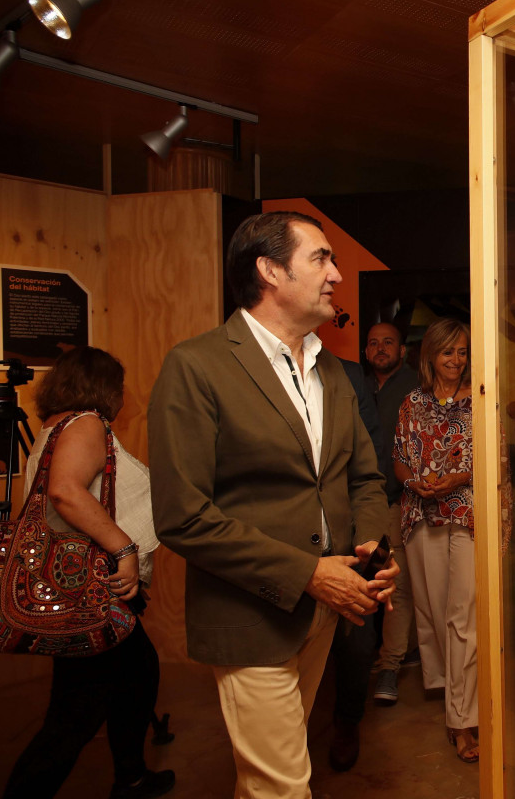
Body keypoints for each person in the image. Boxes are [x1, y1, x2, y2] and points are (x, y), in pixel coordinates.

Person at [147, 211, 397, 798]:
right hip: (251, 618)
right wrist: (308, 573)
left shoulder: (330, 368)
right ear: (269, 270)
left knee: (267, 780)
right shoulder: (197, 365)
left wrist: (371, 543)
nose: (337, 273)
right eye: (321, 258)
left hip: (325, 613)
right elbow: (182, 515)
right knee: (283, 786)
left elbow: (363, 474)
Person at [3, 346, 174, 799]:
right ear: (102, 388)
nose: (123, 395)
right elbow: (63, 492)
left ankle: (131, 776)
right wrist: (124, 549)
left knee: (138, 674)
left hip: (80, 587)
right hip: (88, 590)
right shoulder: (86, 424)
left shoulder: (56, 425)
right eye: (118, 386)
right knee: (72, 717)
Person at [393, 317, 509, 764]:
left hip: (466, 515)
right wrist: (414, 483)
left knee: (463, 614)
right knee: (431, 608)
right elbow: (400, 459)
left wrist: (458, 477)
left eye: (463, 352)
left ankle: (462, 720)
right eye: (448, 352)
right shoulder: (411, 403)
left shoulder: (481, 401)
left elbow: (493, 458)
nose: (457, 361)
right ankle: (449, 690)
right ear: (430, 357)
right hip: (421, 515)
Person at [322, 356, 387, 772]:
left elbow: (369, 466)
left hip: (349, 537)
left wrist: (376, 553)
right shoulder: (218, 363)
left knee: (357, 641)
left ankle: (348, 721)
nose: (335, 284)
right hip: (282, 548)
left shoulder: (344, 373)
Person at [363, 322, 420, 705]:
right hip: (356, 503)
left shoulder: (416, 388)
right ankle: (382, 656)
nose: (380, 348)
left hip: (396, 502)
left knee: (393, 585)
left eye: (388, 342)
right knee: (363, 581)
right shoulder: (356, 385)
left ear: (402, 350)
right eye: (373, 343)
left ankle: (390, 664)